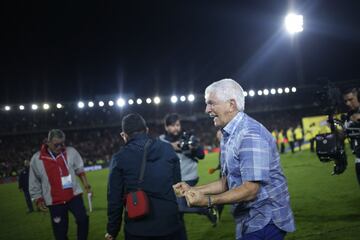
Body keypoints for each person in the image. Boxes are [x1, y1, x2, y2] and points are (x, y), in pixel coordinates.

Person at [174, 79, 295, 240]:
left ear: (231, 105)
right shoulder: (227, 134)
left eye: (211, 103)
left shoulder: (249, 134)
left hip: (266, 219)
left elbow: (251, 190)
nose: (206, 109)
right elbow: (227, 181)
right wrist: (193, 190)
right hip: (249, 217)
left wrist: (209, 201)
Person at [105, 113, 183, 240]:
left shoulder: (119, 158)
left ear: (124, 135)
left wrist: (112, 230)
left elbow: (115, 198)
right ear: (146, 130)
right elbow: (177, 183)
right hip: (170, 224)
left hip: (138, 228)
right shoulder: (167, 149)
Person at [159, 113, 218, 232]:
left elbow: (201, 156)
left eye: (177, 125)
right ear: (166, 127)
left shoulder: (188, 138)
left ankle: (205, 209)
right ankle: (181, 233)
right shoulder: (161, 140)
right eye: (171, 125)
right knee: (177, 213)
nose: (175, 128)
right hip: (172, 178)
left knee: (179, 207)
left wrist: (194, 147)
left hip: (188, 176)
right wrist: (171, 146)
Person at [29, 129, 92, 240]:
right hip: (55, 202)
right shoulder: (37, 159)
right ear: (47, 142)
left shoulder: (71, 152)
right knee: (60, 234)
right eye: (56, 144)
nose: (60, 147)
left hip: (74, 196)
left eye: (62, 143)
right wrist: (38, 199)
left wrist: (86, 185)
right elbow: (34, 181)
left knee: (83, 219)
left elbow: (79, 169)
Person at [343, 87, 360, 184]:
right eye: (345, 101)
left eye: (350, 99)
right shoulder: (349, 116)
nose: (348, 103)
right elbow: (343, 134)